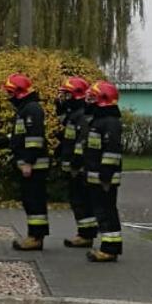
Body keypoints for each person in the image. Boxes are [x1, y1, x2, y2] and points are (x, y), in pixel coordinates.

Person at [1, 73, 50, 250]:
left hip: (35, 166)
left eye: (10, 92)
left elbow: (34, 139)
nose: (8, 96)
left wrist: (28, 162)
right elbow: (19, 137)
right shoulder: (25, 109)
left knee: (34, 202)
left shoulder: (32, 110)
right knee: (30, 201)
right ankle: (34, 236)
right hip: (30, 165)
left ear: (20, 92)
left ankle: (36, 237)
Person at [83, 80, 126, 263]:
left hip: (104, 178)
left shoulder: (110, 123)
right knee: (102, 212)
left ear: (103, 99)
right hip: (97, 177)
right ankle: (107, 246)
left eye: (92, 98)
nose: (88, 101)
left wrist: (106, 176)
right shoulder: (99, 121)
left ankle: (110, 249)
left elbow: (111, 152)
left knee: (107, 212)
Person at [55, 76, 98, 248]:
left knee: (82, 201)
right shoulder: (75, 113)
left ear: (76, 95)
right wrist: (59, 107)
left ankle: (86, 235)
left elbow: (81, 142)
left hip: (79, 169)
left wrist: (75, 164)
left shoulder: (81, 115)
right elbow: (66, 124)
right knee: (77, 201)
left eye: (66, 95)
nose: (64, 98)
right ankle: (84, 233)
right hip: (75, 168)